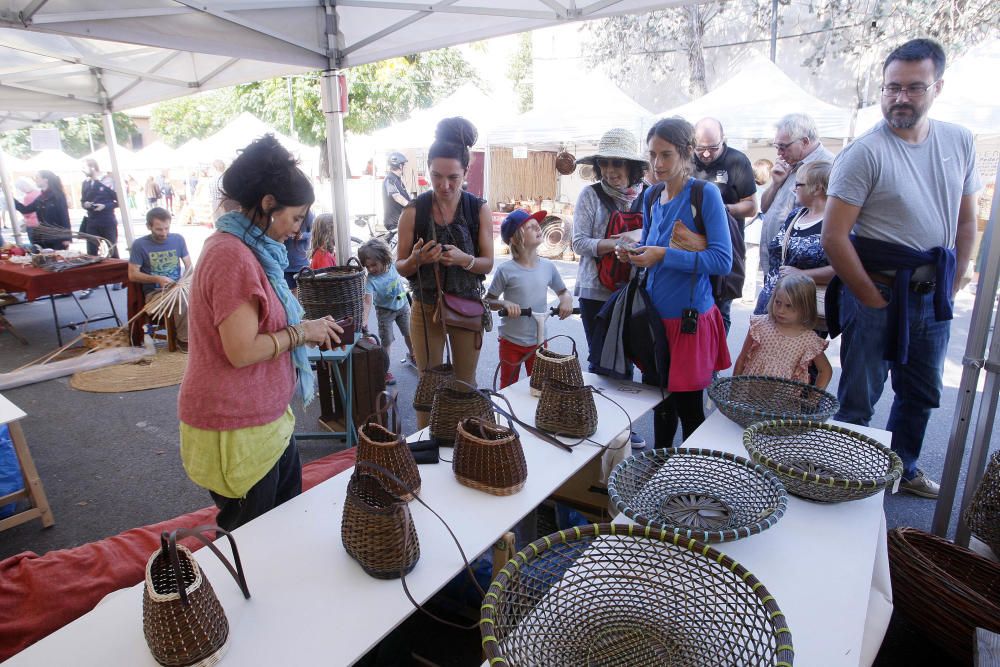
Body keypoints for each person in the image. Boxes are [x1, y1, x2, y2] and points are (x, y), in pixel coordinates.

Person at [822, 38, 981, 499]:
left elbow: (966, 218)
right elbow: (835, 237)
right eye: (893, 88)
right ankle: (848, 479)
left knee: (923, 392)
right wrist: (871, 298)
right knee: (859, 398)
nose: (901, 98)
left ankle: (903, 467)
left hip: (931, 293)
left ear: (938, 87)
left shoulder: (959, 140)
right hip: (877, 289)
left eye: (914, 88)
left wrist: (959, 273)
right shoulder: (865, 152)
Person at [178, 134, 344, 531]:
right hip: (235, 427)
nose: (299, 229)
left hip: (264, 420)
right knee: (255, 539)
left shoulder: (251, 249)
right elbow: (241, 350)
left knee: (281, 527)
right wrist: (302, 332)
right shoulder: (231, 254)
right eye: (297, 216)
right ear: (268, 204)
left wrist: (304, 331)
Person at [617, 117, 732, 447]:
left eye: (665, 155)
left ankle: (690, 478)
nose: (657, 163)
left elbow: (721, 261)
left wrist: (662, 255)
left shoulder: (704, 194)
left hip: (688, 323)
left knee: (690, 410)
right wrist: (636, 255)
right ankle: (661, 469)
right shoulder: (652, 197)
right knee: (661, 406)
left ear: (687, 153)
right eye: (652, 155)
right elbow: (654, 248)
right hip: (655, 322)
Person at [395, 117, 494, 428]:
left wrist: (465, 259)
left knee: (465, 385)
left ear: (466, 172)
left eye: (453, 177)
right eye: (436, 176)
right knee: (430, 386)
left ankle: (467, 447)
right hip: (425, 309)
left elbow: (488, 263)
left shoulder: (477, 208)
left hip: (466, 306)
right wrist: (416, 259)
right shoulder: (415, 210)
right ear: (428, 171)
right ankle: (428, 446)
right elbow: (400, 266)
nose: (444, 186)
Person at [571, 127, 650, 450]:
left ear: (632, 167)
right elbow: (578, 243)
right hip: (595, 293)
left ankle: (623, 426)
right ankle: (600, 425)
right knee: (602, 362)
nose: (612, 171)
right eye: (606, 163)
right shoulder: (590, 196)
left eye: (619, 163)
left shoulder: (649, 195)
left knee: (629, 361)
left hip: (635, 291)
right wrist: (614, 243)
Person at [486, 209, 573, 388]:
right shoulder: (506, 270)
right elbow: (488, 301)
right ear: (516, 238)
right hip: (511, 341)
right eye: (531, 227)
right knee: (508, 385)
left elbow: (563, 291)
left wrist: (566, 300)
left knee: (540, 386)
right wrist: (504, 303)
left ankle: (535, 416)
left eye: (537, 225)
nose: (538, 228)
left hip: (539, 340)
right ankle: (507, 415)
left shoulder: (548, 267)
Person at [691, 118, 757, 333]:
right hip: (691, 248)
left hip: (725, 246)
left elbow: (751, 206)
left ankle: (714, 363)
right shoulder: (685, 160)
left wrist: (720, 210)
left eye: (713, 148)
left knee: (721, 308)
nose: (707, 154)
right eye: (701, 148)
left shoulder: (737, 161)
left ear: (723, 140)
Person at [754, 160, 834, 326]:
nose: (794, 188)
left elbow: (842, 270)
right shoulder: (796, 215)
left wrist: (803, 274)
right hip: (772, 302)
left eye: (799, 184)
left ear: (818, 188)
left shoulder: (834, 222)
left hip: (801, 311)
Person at [759, 113, 834, 277]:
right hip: (777, 267)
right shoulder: (788, 164)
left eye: (783, 147)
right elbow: (763, 208)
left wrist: (802, 274)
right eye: (776, 146)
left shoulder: (828, 166)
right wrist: (775, 183)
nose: (779, 153)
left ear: (805, 142)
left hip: (800, 276)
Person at [735, 274, 831, 388]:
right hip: (750, 391)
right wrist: (734, 388)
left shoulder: (809, 339)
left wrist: (812, 400)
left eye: (789, 306)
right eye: (778, 302)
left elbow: (825, 371)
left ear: (805, 307)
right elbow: (742, 358)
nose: (781, 310)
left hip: (782, 400)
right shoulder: (759, 325)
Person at [128, 207, 193, 344]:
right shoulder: (139, 245)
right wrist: (157, 278)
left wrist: (184, 280)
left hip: (178, 287)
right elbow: (133, 275)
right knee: (182, 298)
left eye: (167, 228)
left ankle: (203, 336)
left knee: (205, 295)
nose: (164, 233)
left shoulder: (178, 239)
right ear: (148, 226)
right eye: (159, 229)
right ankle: (184, 340)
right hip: (156, 294)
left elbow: (189, 266)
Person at [359, 238, 414, 386]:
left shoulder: (394, 266)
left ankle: (413, 355)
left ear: (384, 258)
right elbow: (367, 301)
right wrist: (364, 321)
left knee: (409, 332)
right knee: (386, 341)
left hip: (402, 306)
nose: (370, 269)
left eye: (373, 265)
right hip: (385, 312)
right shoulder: (371, 280)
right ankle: (384, 370)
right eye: (367, 266)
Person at [15, 171, 71, 250]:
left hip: (57, 237)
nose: (35, 180)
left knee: (58, 260)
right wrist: (12, 199)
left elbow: (64, 217)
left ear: (46, 180)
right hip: (44, 237)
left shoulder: (58, 196)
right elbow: (26, 210)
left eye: (37, 178)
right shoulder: (40, 197)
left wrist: (67, 238)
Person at [81, 159, 121, 259]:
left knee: (112, 249)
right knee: (91, 252)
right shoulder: (85, 183)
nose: (82, 170)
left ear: (92, 168)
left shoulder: (107, 181)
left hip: (107, 221)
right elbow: (82, 201)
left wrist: (105, 206)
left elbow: (119, 201)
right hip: (91, 221)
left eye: (84, 168)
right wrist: (85, 204)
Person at [283, 210, 314, 296]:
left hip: (302, 265)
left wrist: (302, 236)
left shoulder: (308, 214)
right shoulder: (282, 212)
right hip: (285, 266)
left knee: (303, 296)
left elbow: (315, 232)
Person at [382, 152, 412, 231]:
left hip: (401, 221)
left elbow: (406, 197)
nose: (404, 168)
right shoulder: (390, 179)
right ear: (400, 166)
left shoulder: (397, 180)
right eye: (403, 165)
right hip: (394, 223)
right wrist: (412, 206)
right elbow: (397, 197)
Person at [15, 178, 40, 245]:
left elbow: (26, 212)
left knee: (35, 247)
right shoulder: (39, 193)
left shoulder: (27, 197)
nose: (20, 190)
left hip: (32, 224)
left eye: (20, 188)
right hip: (41, 223)